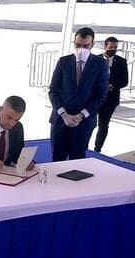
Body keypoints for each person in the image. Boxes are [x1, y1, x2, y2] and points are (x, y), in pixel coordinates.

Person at [49, 27, 109, 161]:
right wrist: (63, 114)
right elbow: (53, 91)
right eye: (78, 45)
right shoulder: (63, 62)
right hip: (60, 120)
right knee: (57, 159)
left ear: (92, 45)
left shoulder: (100, 65)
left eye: (86, 46)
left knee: (78, 161)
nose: (81, 49)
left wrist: (81, 115)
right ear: (73, 43)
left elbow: (100, 95)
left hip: (84, 122)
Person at [94, 37, 129, 153]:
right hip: (94, 98)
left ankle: (97, 149)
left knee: (103, 124)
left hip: (110, 99)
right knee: (89, 123)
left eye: (115, 48)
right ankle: (82, 145)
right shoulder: (95, 59)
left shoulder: (121, 61)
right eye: (110, 47)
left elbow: (124, 81)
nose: (113, 50)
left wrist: (113, 85)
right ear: (105, 46)